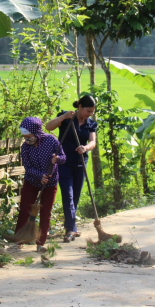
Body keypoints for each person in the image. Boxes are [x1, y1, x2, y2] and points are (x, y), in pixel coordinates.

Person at [45, 95, 98, 243]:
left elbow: (92, 142)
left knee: (75, 196)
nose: (89, 114)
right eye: (88, 111)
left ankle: (70, 226)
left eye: (92, 112)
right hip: (63, 162)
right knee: (67, 195)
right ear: (79, 107)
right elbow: (48, 127)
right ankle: (71, 229)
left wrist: (85, 147)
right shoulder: (67, 118)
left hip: (80, 162)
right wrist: (63, 117)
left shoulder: (90, 124)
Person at [15, 117, 66, 252]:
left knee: (45, 212)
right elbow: (27, 166)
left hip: (50, 182)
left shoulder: (51, 141)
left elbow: (63, 157)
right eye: (25, 137)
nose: (27, 139)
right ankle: (18, 240)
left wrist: (57, 159)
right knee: (25, 209)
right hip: (32, 181)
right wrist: (40, 176)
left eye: (29, 136)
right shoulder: (25, 147)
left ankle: (40, 243)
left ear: (36, 132)